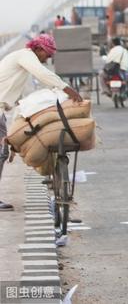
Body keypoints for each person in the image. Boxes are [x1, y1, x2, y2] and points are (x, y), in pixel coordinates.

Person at [0, 35, 83, 212]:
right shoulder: (26, 56)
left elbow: (16, 94)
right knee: (1, 152)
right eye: (47, 54)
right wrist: (66, 88)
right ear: (38, 49)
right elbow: (43, 74)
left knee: (2, 152)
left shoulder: (21, 60)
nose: (48, 58)